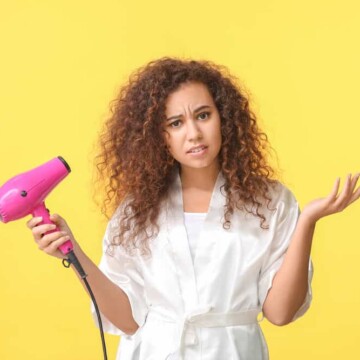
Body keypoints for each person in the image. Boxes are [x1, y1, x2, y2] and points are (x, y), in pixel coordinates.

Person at [26, 57, 360, 360]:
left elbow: (280, 312)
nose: (194, 134)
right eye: (175, 123)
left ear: (224, 118)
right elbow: (128, 321)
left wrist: (308, 222)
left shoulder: (270, 202)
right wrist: (73, 253)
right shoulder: (137, 211)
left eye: (203, 115)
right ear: (159, 135)